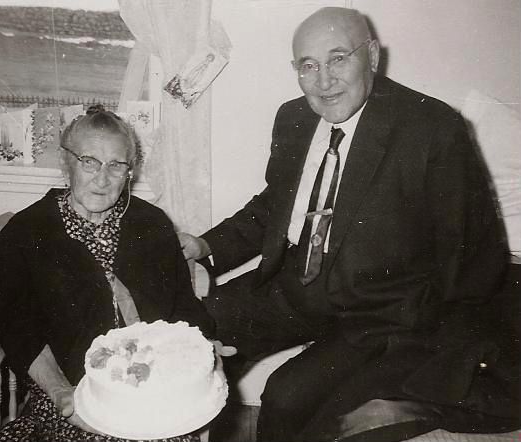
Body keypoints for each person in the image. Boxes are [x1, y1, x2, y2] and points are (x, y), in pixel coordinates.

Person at [179, 7, 520, 442]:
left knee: (285, 396)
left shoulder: (433, 129)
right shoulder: (294, 117)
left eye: (338, 58)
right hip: (297, 286)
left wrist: (420, 349)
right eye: (309, 65)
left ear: (372, 57)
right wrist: (205, 247)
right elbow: (274, 207)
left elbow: (469, 255)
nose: (324, 81)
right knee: (190, 330)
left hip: (381, 314)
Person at [0, 105, 216, 442]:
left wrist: (205, 351)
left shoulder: (151, 224)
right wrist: (63, 394)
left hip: (153, 393)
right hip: (71, 393)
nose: (102, 179)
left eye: (116, 165)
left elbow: (183, 308)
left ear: (129, 172)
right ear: (66, 164)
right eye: (89, 162)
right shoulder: (25, 235)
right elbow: (21, 333)